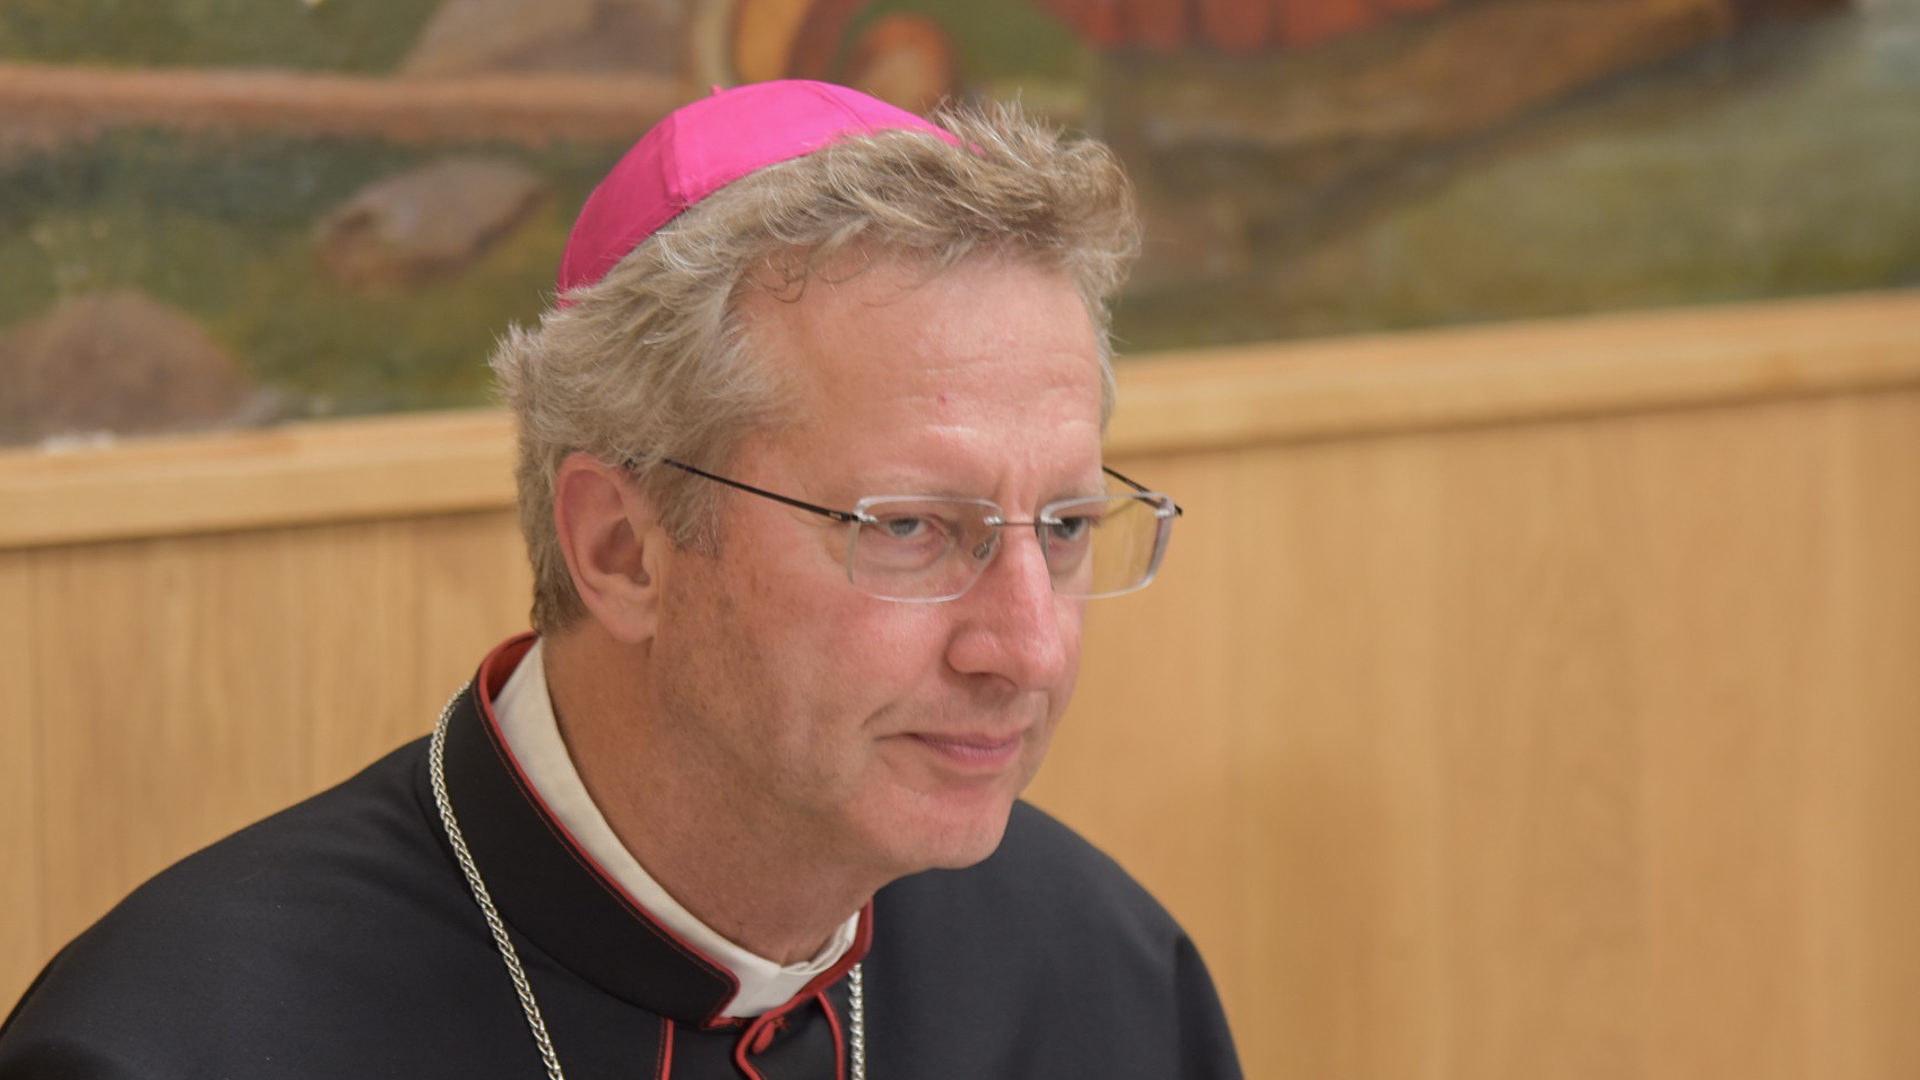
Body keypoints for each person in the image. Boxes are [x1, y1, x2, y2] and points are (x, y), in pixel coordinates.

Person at [0, 80, 1241, 1079]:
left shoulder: (1104, 975)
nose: (1027, 649)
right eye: (912, 528)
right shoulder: (173, 1044)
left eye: (1067, 525)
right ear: (620, 549)